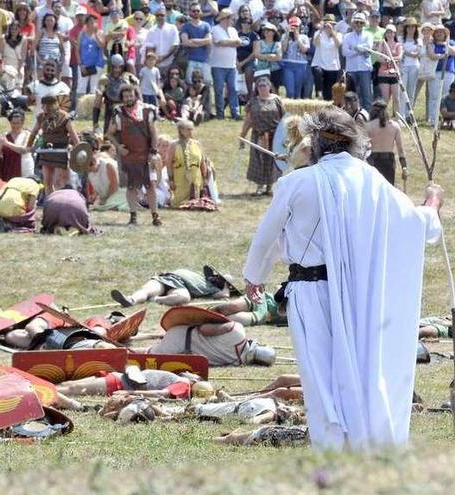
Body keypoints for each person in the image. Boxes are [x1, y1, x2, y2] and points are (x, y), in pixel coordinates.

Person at [242, 105, 444, 451]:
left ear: (317, 143)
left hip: (310, 292)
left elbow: (269, 237)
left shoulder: (297, 182)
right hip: (358, 293)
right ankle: (358, 445)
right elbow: (413, 221)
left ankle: (335, 449)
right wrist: (432, 203)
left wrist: (254, 276)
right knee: (359, 368)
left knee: (321, 376)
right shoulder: (372, 182)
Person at [106, 84, 161, 226]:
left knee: (150, 186)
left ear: (135, 95)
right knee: (131, 187)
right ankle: (133, 216)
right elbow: (109, 133)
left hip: (146, 154)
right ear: (122, 98)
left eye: (131, 95)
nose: (128, 98)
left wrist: (153, 152)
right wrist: (118, 147)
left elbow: (154, 133)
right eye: (125, 96)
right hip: (129, 155)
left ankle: (155, 216)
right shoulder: (118, 113)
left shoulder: (147, 110)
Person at [146, 308, 276, 367]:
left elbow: (204, 329)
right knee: (148, 353)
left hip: (180, 336)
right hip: (182, 354)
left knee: (144, 354)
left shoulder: (237, 330)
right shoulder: (235, 362)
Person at [239, 75, 284, 196]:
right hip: (258, 135)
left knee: (272, 160)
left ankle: (269, 186)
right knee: (258, 160)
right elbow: (248, 120)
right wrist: (242, 136)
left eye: (265, 86)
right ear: (257, 88)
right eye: (260, 86)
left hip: (274, 136)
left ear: (269, 87)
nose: (262, 88)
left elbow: (283, 119)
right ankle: (260, 186)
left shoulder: (277, 100)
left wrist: (285, 137)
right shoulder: (253, 102)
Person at [28, 94, 80, 194]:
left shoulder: (64, 117)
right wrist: (29, 145)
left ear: (53, 105)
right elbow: (34, 132)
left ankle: (58, 203)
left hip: (60, 151)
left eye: (47, 105)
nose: (45, 108)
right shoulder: (41, 117)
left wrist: (78, 147)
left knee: (59, 182)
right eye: (43, 106)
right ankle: (50, 203)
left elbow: (73, 134)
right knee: (47, 181)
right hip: (46, 150)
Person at [110, 267, 229, 307]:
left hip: (180, 287)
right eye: (218, 276)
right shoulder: (201, 278)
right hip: (166, 278)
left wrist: (227, 286)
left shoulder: (213, 289)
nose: (217, 278)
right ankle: (130, 300)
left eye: (220, 279)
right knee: (146, 290)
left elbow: (225, 295)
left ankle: (155, 299)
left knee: (183, 297)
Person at [166, 118, 211, 206]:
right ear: (181, 130)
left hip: (195, 176)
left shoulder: (197, 144)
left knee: (195, 200)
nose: (191, 131)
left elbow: (202, 162)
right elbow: (169, 163)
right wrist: (171, 179)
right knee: (179, 202)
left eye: (192, 129)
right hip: (180, 176)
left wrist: (205, 178)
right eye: (188, 129)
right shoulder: (174, 145)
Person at [92, 53, 139, 134]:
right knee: (108, 141)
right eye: (115, 67)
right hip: (111, 114)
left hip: (127, 113)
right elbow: (97, 102)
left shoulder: (129, 78)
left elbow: (138, 98)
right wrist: (95, 123)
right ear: (110, 67)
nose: (117, 70)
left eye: (119, 67)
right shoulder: (104, 80)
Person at [57, 368, 189, 396]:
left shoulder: (185, 385)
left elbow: (161, 393)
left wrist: (129, 392)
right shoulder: (181, 379)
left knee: (74, 388)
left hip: (119, 383)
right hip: (119, 376)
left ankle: (41, 393)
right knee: (67, 385)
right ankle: (42, 388)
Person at [366, 99, 406, 186]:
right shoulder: (395, 126)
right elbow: (401, 150)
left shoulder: (368, 126)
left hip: (373, 161)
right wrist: (404, 167)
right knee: (389, 188)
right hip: (388, 161)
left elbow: (363, 146)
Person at [209, 8, 241, 119]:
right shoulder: (215, 29)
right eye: (231, 17)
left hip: (231, 65)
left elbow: (236, 43)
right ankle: (220, 113)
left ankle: (235, 113)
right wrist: (234, 42)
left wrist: (230, 43)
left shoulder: (233, 30)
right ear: (225, 18)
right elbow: (220, 42)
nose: (233, 19)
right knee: (218, 90)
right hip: (217, 65)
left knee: (234, 89)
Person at [343, 12, 374, 110]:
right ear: (353, 23)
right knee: (351, 95)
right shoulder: (347, 36)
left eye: (361, 23)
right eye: (357, 22)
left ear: (364, 24)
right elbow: (345, 52)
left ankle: (367, 118)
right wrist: (358, 50)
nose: (359, 25)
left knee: (366, 95)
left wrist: (355, 49)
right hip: (351, 69)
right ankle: (352, 117)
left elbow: (368, 48)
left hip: (365, 68)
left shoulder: (368, 35)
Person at [0, 110, 34, 181]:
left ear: (23, 123)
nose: (15, 125)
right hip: (9, 168)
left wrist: (7, 143)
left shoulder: (27, 134)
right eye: (13, 123)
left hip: (24, 166)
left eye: (18, 123)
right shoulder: (5, 136)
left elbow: (23, 150)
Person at [280, 16, 312, 99]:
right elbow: (283, 50)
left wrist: (297, 37)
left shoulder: (304, 37)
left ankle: (297, 110)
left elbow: (304, 50)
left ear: (300, 27)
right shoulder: (284, 36)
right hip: (288, 65)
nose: (294, 28)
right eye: (292, 26)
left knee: (297, 92)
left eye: (296, 26)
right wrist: (287, 35)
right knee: (290, 92)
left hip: (301, 66)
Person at [312, 14, 342, 101]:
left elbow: (338, 44)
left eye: (331, 24)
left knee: (329, 94)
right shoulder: (318, 33)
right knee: (317, 72)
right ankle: (319, 93)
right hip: (319, 63)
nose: (328, 26)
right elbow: (315, 43)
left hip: (333, 66)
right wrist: (321, 30)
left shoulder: (338, 34)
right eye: (327, 24)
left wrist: (332, 33)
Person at [143, 5, 179, 74]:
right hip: (155, 65)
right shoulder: (151, 31)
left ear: (166, 16)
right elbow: (149, 48)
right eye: (157, 15)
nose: (160, 17)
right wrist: (154, 59)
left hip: (170, 64)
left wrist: (163, 58)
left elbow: (175, 46)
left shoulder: (173, 28)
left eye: (162, 15)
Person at [375, 24, 402, 112]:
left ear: (394, 33)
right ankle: (384, 117)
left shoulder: (398, 44)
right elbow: (378, 57)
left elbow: (399, 56)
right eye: (387, 32)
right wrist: (387, 60)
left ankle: (398, 117)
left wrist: (391, 59)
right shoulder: (382, 44)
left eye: (391, 32)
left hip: (395, 74)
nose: (389, 34)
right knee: (385, 99)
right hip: (383, 74)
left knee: (396, 98)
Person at [253, 23, 282, 91]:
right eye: (265, 30)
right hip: (261, 70)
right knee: (261, 89)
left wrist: (264, 56)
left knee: (275, 89)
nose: (266, 32)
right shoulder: (259, 42)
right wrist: (269, 56)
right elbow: (256, 55)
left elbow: (279, 57)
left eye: (268, 30)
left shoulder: (277, 44)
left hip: (274, 70)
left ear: (274, 32)